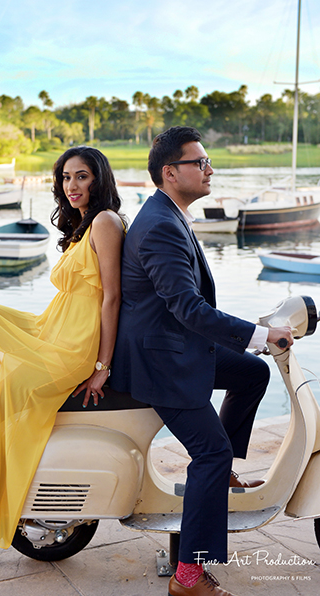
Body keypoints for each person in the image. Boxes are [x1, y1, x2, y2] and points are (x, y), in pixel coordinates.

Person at [110, 126, 293, 596]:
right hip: (160, 364)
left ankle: (223, 473)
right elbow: (188, 308)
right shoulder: (161, 227)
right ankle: (188, 576)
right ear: (171, 173)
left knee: (251, 372)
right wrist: (258, 334)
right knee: (207, 453)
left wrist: (249, 339)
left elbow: (185, 309)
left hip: (175, 347)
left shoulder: (168, 214)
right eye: (201, 162)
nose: (210, 169)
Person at [0, 146, 125, 559]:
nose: (72, 185)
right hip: (50, 328)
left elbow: (111, 298)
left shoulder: (106, 222)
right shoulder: (81, 225)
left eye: (81, 176)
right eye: (65, 177)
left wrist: (101, 366)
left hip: (74, 345)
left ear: (99, 178)